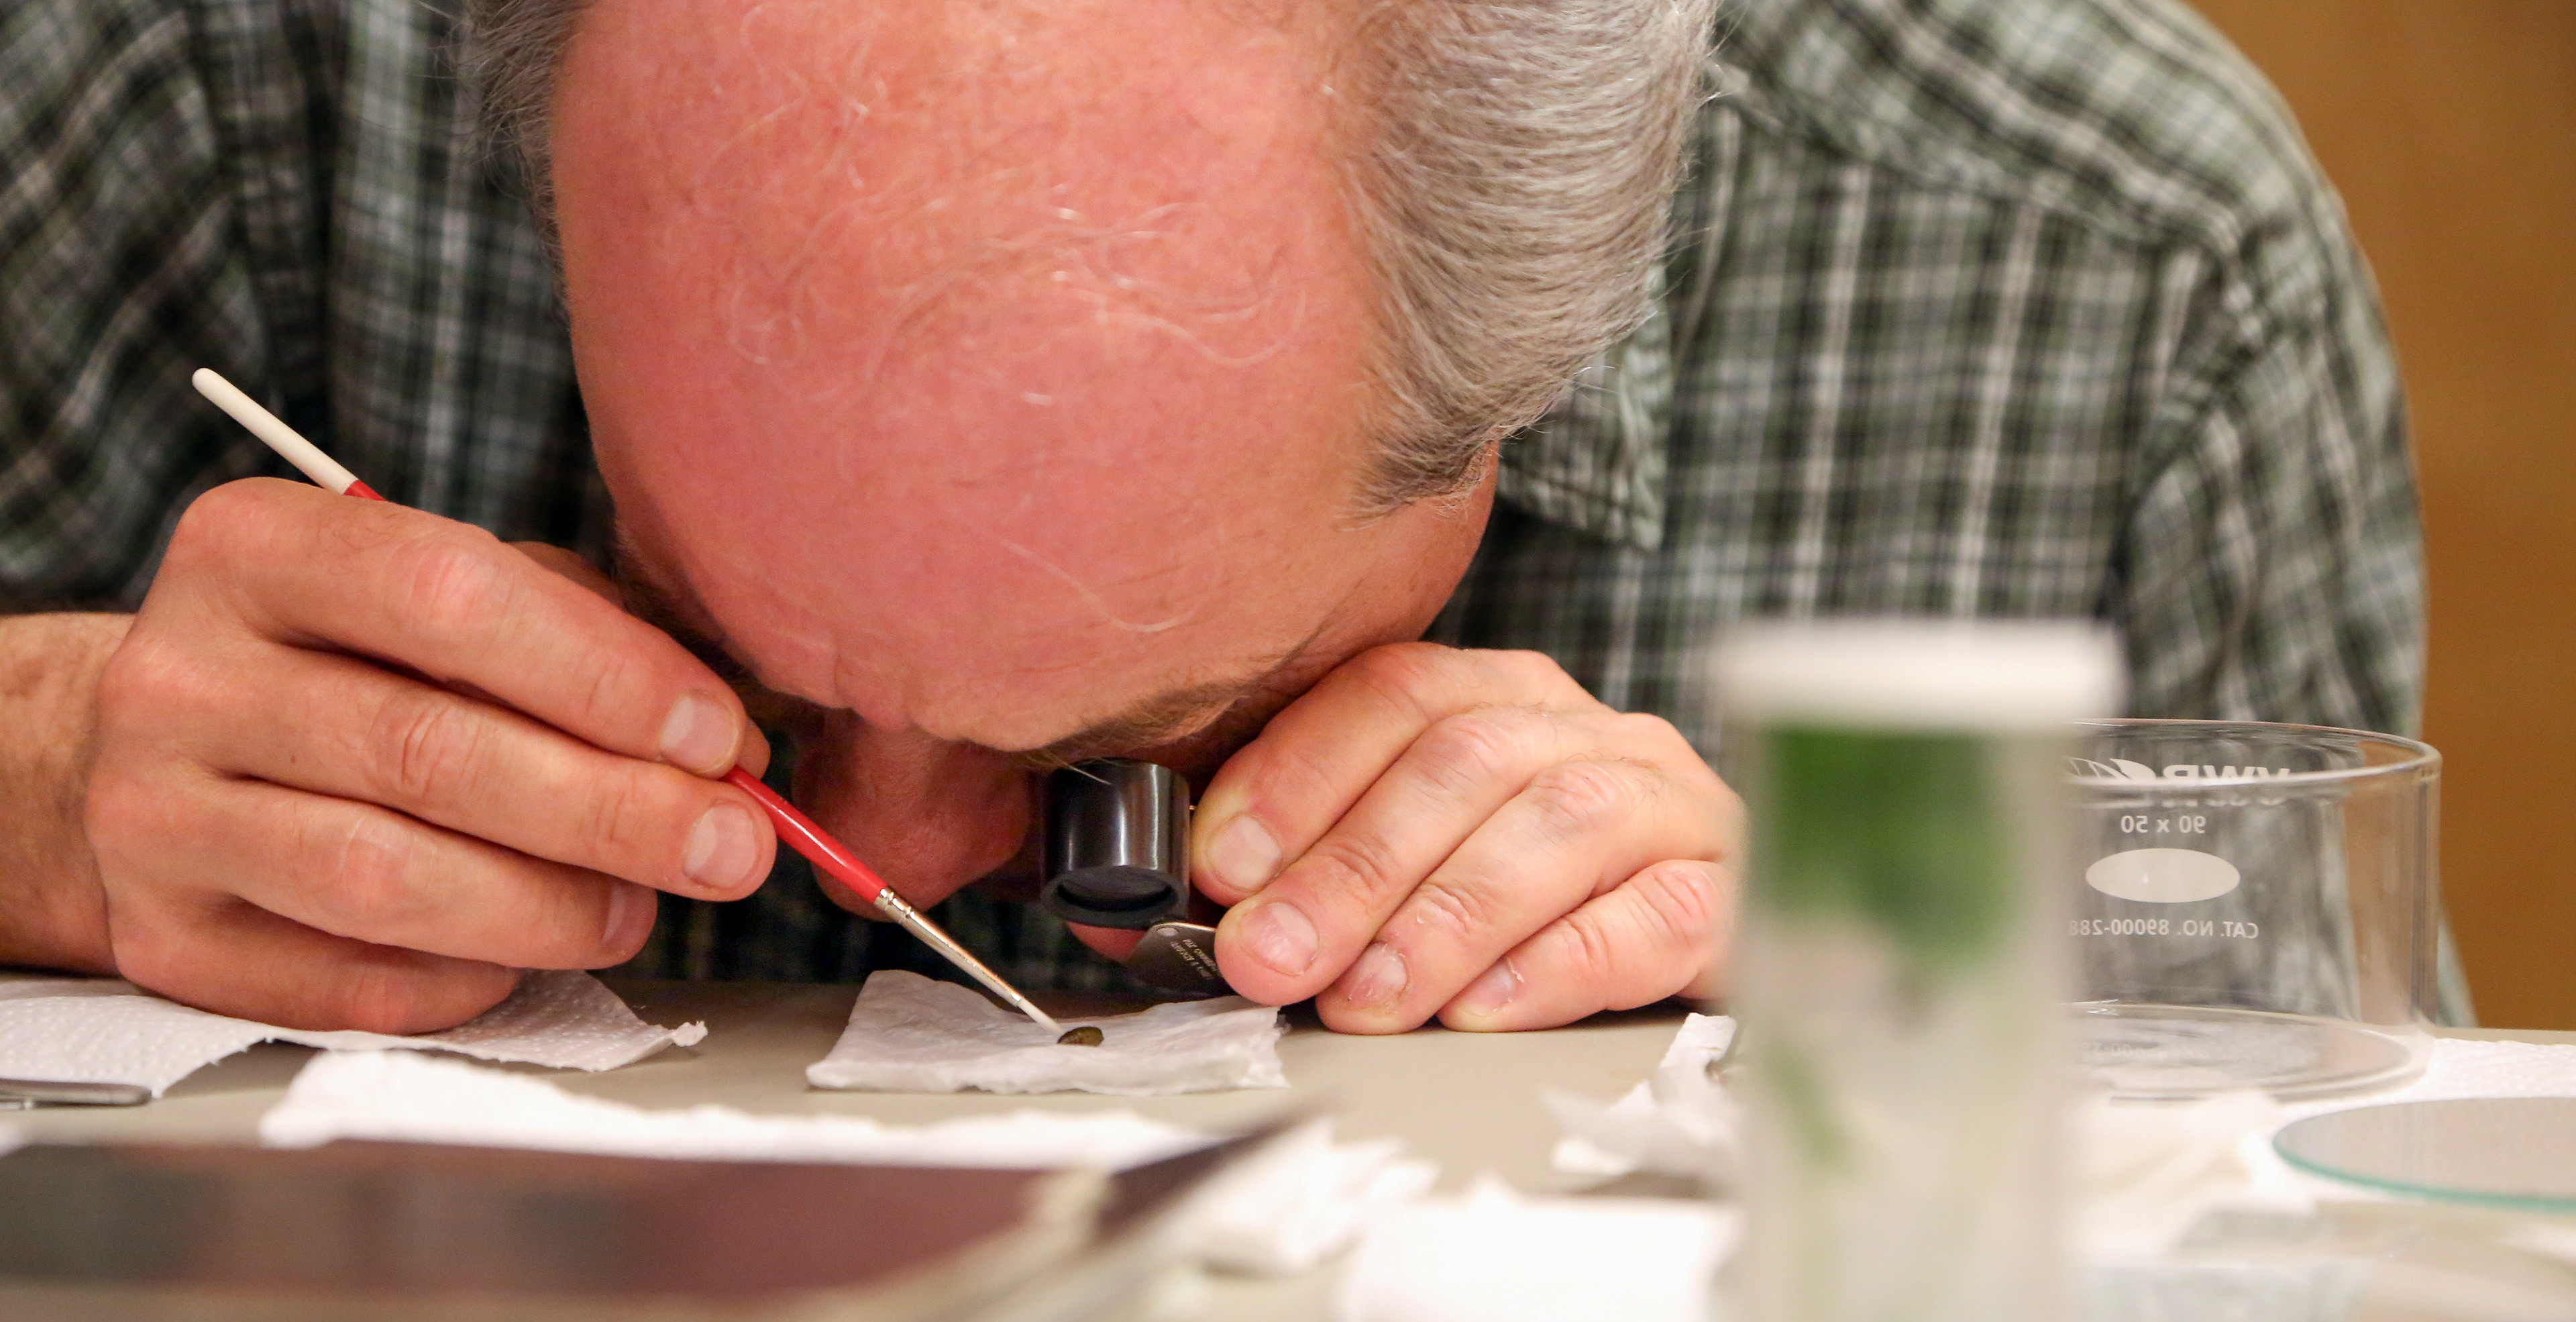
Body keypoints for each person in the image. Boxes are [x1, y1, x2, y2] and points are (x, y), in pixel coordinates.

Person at [0, 0, 2422, 1036]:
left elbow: (2333, 1227)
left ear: (1545, 356)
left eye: (1137, 738)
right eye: (718, 646)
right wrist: (45, 775)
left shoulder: (2102, 258)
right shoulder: (246, 57)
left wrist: (1842, 957)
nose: (878, 863)